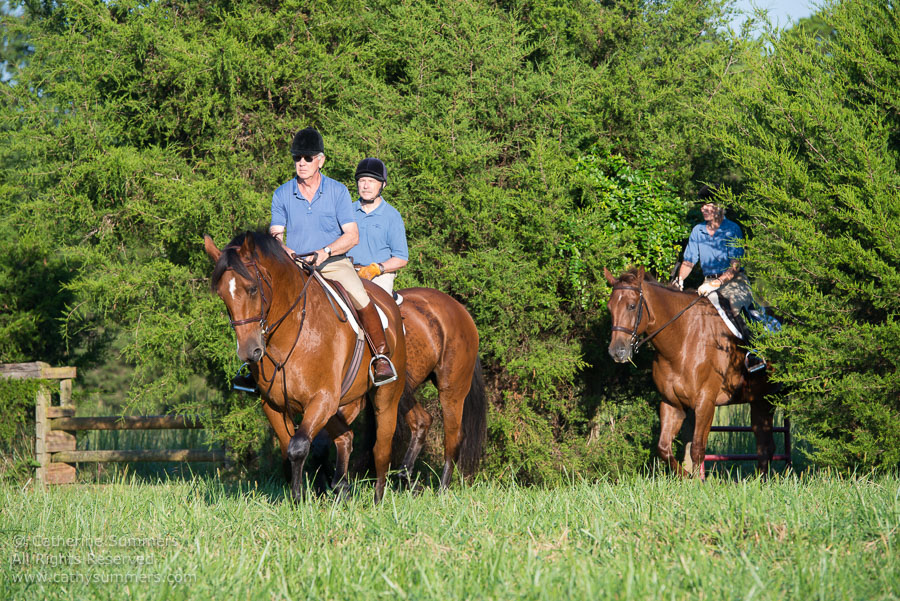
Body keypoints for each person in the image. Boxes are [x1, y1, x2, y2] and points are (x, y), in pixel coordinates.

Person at [269, 127, 396, 385]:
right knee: (262, 300)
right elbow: (275, 234)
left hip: (332, 263)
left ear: (321, 160)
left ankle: (381, 357)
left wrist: (324, 252)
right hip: (294, 266)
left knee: (361, 296)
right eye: (297, 158)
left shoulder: (338, 191)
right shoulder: (282, 193)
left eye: (307, 158)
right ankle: (254, 368)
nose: (301, 163)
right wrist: (287, 252)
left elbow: (352, 236)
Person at [673, 186, 765, 371]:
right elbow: (689, 262)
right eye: (702, 205)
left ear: (719, 207)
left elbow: (735, 266)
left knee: (731, 305)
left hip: (734, 282)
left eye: (707, 205)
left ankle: (755, 352)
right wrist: (680, 280)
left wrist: (717, 283)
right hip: (708, 282)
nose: (703, 209)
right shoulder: (697, 231)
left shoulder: (732, 229)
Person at [349, 158, 409, 294]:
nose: (366, 186)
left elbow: (401, 258)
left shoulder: (392, 216)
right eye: (362, 180)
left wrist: (377, 268)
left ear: (382, 185)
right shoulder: (346, 210)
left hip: (379, 276)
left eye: (371, 181)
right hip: (347, 271)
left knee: (376, 310)